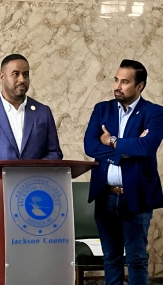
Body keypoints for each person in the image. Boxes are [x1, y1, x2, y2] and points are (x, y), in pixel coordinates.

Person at [0, 53, 63, 284]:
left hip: (35, 199)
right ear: (2, 77)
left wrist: (33, 169)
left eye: (26, 74)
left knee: (34, 259)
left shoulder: (42, 112)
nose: (22, 79)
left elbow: (55, 153)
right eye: (16, 74)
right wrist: (7, 169)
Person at [84, 59, 163, 285]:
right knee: (111, 258)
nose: (117, 86)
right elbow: (90, 146)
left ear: (140, 86)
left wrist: (112, 141)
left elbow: (147, 147)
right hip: (105, 195)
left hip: (136, 195)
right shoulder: (102, 109)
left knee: (137, 258)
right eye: (116, 80)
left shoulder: (155, 113)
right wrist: (127, 149)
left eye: (125, 82)